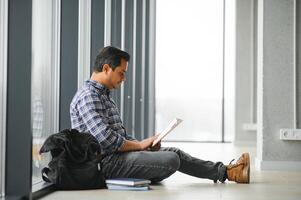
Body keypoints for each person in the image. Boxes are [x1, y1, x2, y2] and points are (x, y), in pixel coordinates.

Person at [70, 46, 250, 184]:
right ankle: (228, 172)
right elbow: (106, 141)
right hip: (106, 164)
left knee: (175, 152)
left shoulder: (103, 96)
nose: (124, 79)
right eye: (121, 73)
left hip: (117, 158)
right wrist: (139, 145)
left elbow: (118, 137)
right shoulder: (88, 97)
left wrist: (143, 146)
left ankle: (227, 172)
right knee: (171, 159)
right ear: (107, 68)